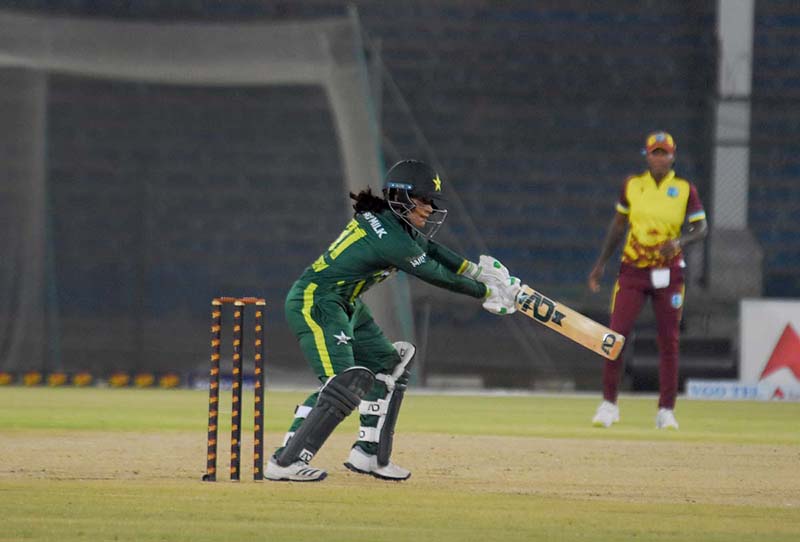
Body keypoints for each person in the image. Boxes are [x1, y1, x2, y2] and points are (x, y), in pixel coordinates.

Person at [265, 159, 522, 482]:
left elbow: (435, 251)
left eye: (431, 202)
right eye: (424, 200)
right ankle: (285, 461)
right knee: (341, 384)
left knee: (389, 364)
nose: (429, 209)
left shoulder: (394, 226)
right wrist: (484, 291)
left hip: (346, 303)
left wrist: (475, 270)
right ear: (401, 196)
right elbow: (429, 271)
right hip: (317, 301)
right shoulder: (389, 236)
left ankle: (368, 455)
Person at [587, 131, 708, 430]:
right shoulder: (633, 185)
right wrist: (601, 263)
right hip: (633, 271)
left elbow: (701, 227)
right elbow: (618, 226)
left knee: (669, 340)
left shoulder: (683, 189)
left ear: (672, 156)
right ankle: (609, 405)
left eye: (664, 152)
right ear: (647, 155)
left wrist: (679, 242)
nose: (659, 157)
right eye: (654, 152)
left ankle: (666, 409)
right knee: (615, 336)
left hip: (669, 274)